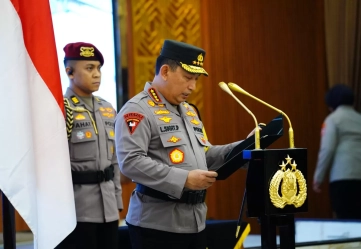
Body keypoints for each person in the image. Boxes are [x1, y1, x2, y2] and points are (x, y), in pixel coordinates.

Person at [115, 39, 254, 249]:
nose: (193, 86)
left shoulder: (189, 111)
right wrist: (184, 179)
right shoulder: (137, 110)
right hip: (156, 227)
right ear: (164, 71)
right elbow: (130, 162)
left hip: (194, 223)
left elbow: (205, 154)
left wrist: (246, 147)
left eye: (196, 79)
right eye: (188, 77)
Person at [55, 42, 123, 249]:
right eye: (89, 68)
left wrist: (118, 201)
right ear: (70, 72)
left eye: (99, 68)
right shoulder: (60, 108)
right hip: (77, 211)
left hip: (108, 208)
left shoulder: (107, 108)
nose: (97, 74)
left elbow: (115, 161)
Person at [313, 83, 361, 219]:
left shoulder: (332, 119)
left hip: (343, 176)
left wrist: (318, 177)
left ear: (331, 104)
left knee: (346, 220)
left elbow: (327, 149)